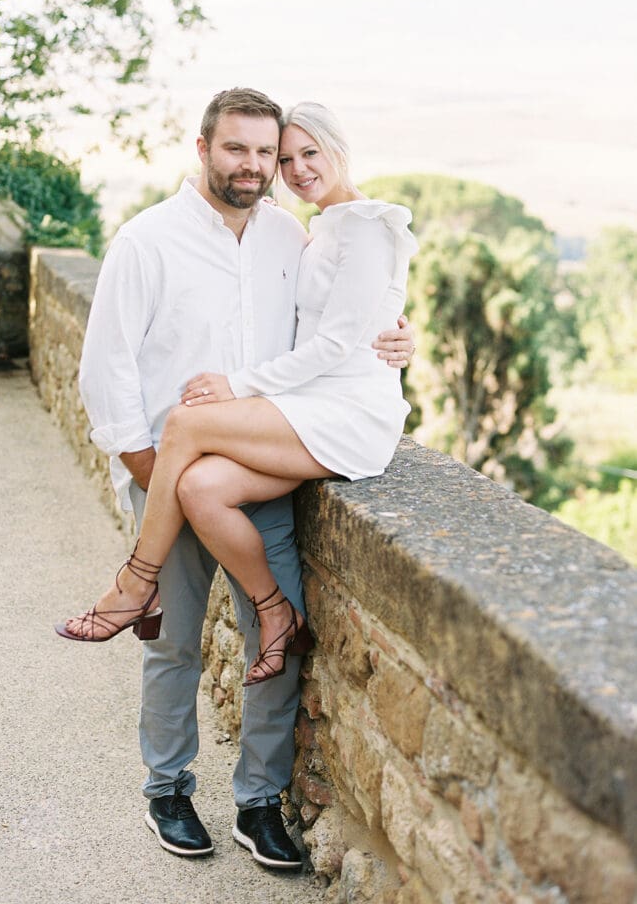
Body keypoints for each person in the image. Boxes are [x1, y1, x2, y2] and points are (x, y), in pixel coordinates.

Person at [57, 89, 415, 869]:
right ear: (203, 148)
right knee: (175, 647)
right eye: (241, 150)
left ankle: (258, 803)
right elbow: (104, 371)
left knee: (271, 642)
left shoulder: (292, 235)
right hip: (166, 470)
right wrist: (152, 474)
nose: (258, 167)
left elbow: (342, 323)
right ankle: (168, 788)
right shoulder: (146, 242)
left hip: (259, 473)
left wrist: (396, 336)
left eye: (269, 154)